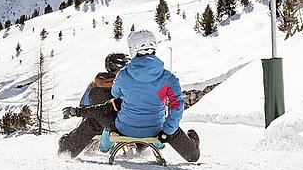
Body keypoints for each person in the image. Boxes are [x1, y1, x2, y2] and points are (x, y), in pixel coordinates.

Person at [58, 30, 200, 162]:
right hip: (157, 129)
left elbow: (115, 94)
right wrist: (168, 130)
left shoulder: (123, 75)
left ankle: (67, 148)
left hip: (124, 128)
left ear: (133, 49)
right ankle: (192, 151)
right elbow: (177, 106)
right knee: (174, 129)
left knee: (95, 120)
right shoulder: (168, 78)